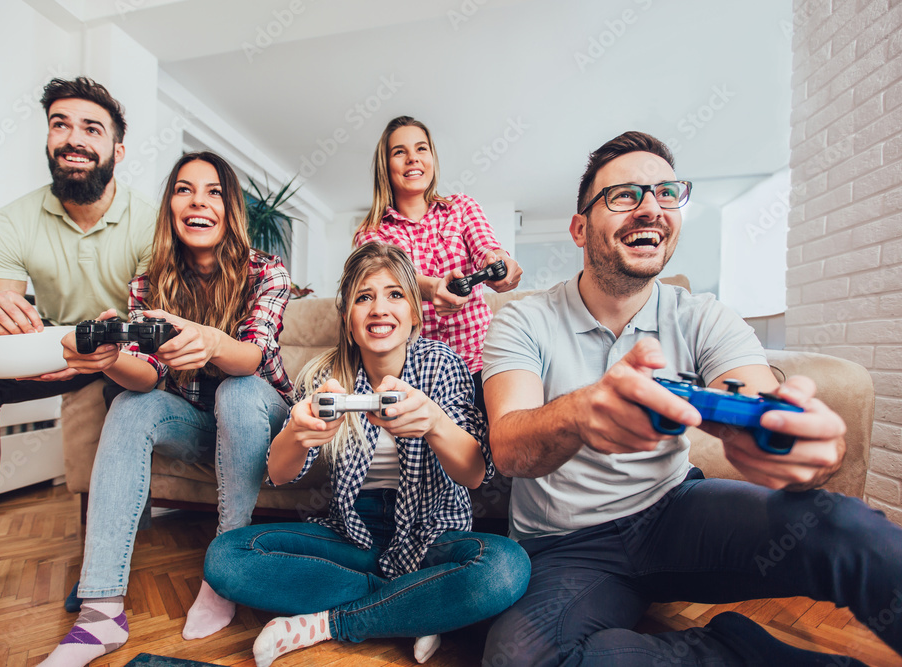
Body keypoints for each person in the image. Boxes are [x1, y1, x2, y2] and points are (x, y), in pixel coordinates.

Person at [480, 130, 902, 666]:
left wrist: (795, 444)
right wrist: (581, 414)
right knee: (519, 660)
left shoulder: (702, 315)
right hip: (567, 549)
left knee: (847, 528)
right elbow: (510, 446)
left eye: (665, 193)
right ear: (579, 228)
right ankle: (735, 651)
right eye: (625, 195)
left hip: (676, 514)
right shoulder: (524, 318)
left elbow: (757, 397)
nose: (650, 208)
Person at [0, 77, 155, 628]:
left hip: (123, 354)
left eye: (92, 128)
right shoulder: (10, 222)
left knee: (129, 393)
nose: (74, 138)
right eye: (60, 124)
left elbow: (150, 330)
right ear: (47, 141)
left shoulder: (151, 224)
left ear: (118, 149)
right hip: (51, 350)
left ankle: (101, 560)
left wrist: (108, 353)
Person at [203, 243, 530, 667]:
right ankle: (420, 604)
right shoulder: (326, 376)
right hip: (352, 532)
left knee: (506, 567)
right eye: (363, 297)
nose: (380, 308)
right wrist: (299, 434)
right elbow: (279, 474)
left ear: (415, 312)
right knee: (226, 558)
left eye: (395, 295)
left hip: (432, 534)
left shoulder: (442, 364)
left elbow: (473, 473)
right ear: (348, 320)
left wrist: (433, 421)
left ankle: (326, 623)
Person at [39, 151, 294, 666]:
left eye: (214, 191)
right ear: (170, 206)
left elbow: (254, 357)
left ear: (231, 210)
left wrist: (211, 342)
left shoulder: (265, 272)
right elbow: (147, 372)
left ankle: (224, 573)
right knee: (132, 404)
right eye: (183, 189)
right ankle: (100, 613)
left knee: (236, 391)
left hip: (261, 417)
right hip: (198, 422)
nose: (198, 201)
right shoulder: (150, 281)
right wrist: (109, 360)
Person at [354, 116, 523, 411]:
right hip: (419, 372)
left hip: (481, 362)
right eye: (399, 152)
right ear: (386, 165)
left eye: (421, 149)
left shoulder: (461, 207)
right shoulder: (371, 233)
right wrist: (432, 288)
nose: (412, 159)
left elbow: (487, 247)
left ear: (432, 157)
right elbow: (389, 277)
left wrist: (500, 262)